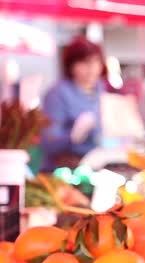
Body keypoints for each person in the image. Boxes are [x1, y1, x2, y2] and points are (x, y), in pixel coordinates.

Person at [40, 36, 106, 171]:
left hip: (97, 165)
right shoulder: (57, 93)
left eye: (96, 62)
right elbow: (48, 142)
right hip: (64, 171)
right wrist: (72, 136)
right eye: (85, 63)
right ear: (71, 65)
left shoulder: (101, 88)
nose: (92, 68)